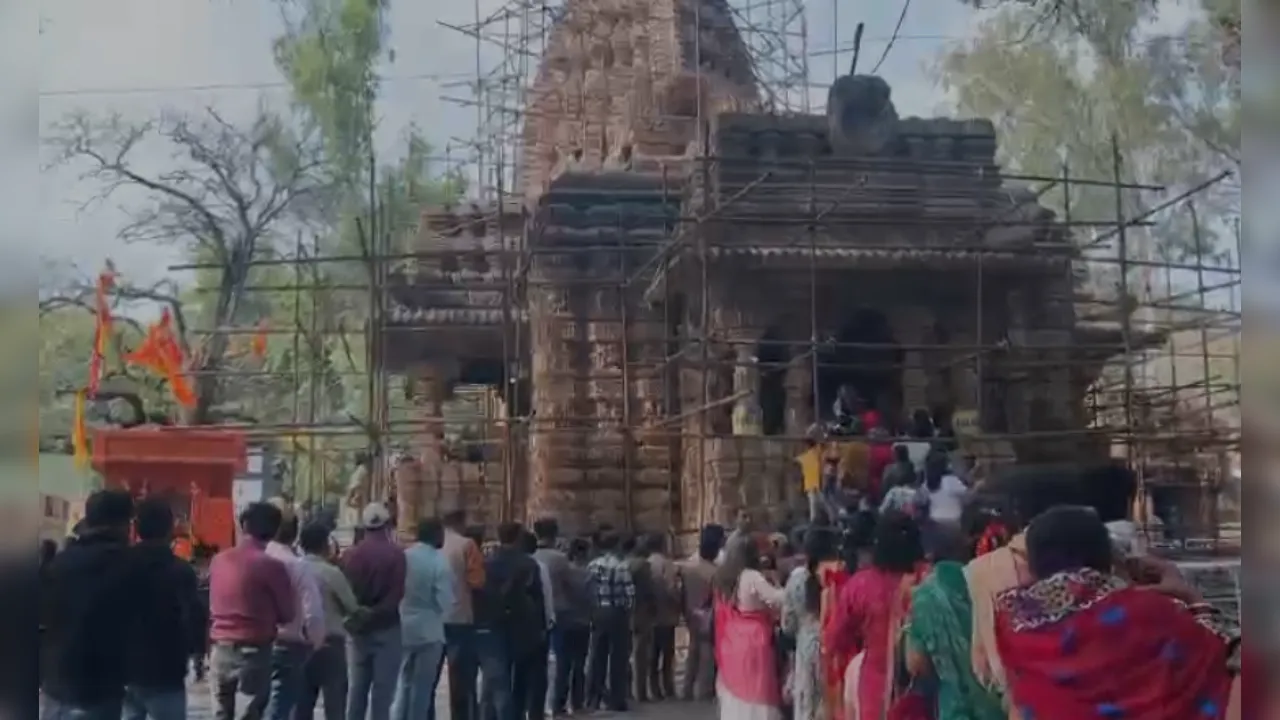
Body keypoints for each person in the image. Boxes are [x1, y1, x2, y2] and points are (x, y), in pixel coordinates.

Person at [995, 506, 1240, 720]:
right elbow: (1219, 656)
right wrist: (1191, 597)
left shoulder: (1012, 622)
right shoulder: (1147, 610)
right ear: (1106, 557)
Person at [964, 469, 1085, 716]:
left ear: (1017, 513)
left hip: (1023, 704)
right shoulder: (1102, 558)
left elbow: (982, 663)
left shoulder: (982, 570)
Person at [41, 489, 136, 720]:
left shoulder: (59, 564)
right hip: (100, 692)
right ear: (124, 524)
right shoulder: (130, 566)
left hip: (56, 688)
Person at [826, 511, 928, 720]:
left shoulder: (861, 585)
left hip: (876, 688)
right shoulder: (927, 580)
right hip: (926, 688)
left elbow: (834, 639)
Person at [208, 501, 298, 719]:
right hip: (255, 652)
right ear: (274, 530)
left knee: (221, 713)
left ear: (243, 525)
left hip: (220, 649)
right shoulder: (272, 567)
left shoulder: (219, 561)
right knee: (249, 714)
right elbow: (288, 614)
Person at [903, 527, 1004, 720]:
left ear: (930, 558)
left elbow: (916, 664)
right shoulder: (992, 583)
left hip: (955, 709)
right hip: (1000, 708)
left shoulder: (925, 596)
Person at [122, 498, 208, 720]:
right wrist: (197, 652)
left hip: (125, 669)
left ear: (136, 528)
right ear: (170, 529)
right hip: (167, 670)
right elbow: (194, 617)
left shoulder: (119, 565)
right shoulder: (181, 571)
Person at [343, 502, 407, 720]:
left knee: (356, 691)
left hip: (358, 630)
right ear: (387, 525)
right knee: (382, 694)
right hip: (387, 629)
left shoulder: (351, 555)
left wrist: (361, 615)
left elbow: (346, 595)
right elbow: (396, 595)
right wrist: (377, 613)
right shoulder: (397, 555)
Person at [264, 498, 327, 720]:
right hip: (290, 646)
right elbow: (313, 613)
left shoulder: (254, 559)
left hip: (254, 643)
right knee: (280, 706)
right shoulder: (297, 565)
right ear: (295, 533)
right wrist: (315, 642)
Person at [477, 522, 546, 720]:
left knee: (495, 680)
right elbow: (537, 596)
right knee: (521, 678)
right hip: (523, 626)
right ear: (518, 537)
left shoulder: (487, 562)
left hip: (493, 624)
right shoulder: (528, 564)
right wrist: (541, 626)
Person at [712, 536, 786, 720]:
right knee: (757, 688)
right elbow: (777, 599)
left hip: (732, 637)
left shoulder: (725, 578)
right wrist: (785, 586)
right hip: (755, 637)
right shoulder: (751, 577)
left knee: (737, 689)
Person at [298, 522, 363, 720]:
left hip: (299, 644)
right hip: (331, 643)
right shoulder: (332, 573)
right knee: (335, 707)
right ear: (325, 545)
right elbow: (352, 607)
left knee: (301, 706)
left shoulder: (293, 569)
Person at [392, 517, 455, 720]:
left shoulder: (403, 557)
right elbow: (446, 600)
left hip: (402, 626)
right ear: (436, 535)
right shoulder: (439, 561)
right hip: (429, 630)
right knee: (422, 688)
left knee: (403, 683)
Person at [781, 526, 839, 720]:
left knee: (807, 702)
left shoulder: (796, 580)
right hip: (832, 645)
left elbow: (787, 623)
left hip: (805, 644)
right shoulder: (837, 578)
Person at [442, 509, 486, 720]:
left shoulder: (434, 545)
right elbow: (477, 582)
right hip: (460, 616)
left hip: (435, 618)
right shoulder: (467, 545)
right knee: (460, 676)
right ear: (461, 522)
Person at [586, 529, 636, 712]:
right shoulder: (621, 566)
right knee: (618, 659)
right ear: (616, 546)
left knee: (597, 655)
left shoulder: (592, 565)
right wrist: (628, 611)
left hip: (598, 612)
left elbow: (587, 590)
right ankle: (616, 699)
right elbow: (629, 594)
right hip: (617, 613)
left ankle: (593, 697)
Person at [678, 526, 722, 701]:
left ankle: (687, 689)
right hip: (708, 615)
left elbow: (681, 592)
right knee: (707, 655)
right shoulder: (715, 572)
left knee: (693, 650)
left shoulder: (688, 567)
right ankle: (704, 691)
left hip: (691, 613)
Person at [551, 538, 593, 715]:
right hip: (581, 622)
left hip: (562, 621)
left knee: (562, 665)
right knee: (579, 665)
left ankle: (558, 705)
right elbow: (591, 598)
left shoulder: (562, 571)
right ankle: (577, 703)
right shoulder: (587, 574)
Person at [518, 529, 554, 720]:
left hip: (512, 629)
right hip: (536, 628)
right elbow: (546, 596)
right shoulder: (539, 566)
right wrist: (548, 622)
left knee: (518, 674)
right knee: (538, 675)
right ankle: (535, 712)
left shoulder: (511, 564)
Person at [646, 533, 681, 701]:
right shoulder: (668, 564)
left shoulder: (647, 563)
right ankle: (668, 687)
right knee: (667, 654)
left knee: (652, 655)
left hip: (650, 616)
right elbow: (672, 588)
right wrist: (679, 602)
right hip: (667, 615)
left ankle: (653, 689)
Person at [624, 534, 658, 703]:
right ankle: (641, 692)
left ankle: (626, 691)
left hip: (624, 613)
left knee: (625, 654)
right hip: (641, 613)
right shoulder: (642, 565)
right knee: (640, 655)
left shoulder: (622, 564)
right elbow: (648, 590)